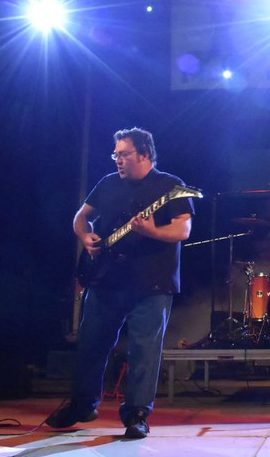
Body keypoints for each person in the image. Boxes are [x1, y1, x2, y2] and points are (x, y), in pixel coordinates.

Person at [46, 127, 194, 438]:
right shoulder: (108, 183)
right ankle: (82, 404)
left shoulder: (171, 186)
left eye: (124, 154)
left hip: (152, 283)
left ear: (145, 154)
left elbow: (183, 231)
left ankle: (137, 414)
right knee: (91, 345)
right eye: (116, 154)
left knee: (144, 352)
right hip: (106, 280)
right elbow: (81, 217)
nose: (118, 160)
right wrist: (86, 236)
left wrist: (152, 232)